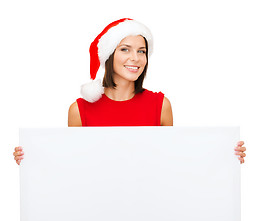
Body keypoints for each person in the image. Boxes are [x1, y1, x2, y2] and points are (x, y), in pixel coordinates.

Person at [13, 18, 246, 164]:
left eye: (142, 51)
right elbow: (71, 164)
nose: (135, 58)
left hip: (149, 210)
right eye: (125, 49)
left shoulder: (160, 105)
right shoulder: (80, 110)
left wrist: (224, 153)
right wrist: (33, 157)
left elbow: (174, 160)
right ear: (108, 56)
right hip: (97, 212)